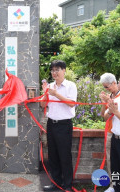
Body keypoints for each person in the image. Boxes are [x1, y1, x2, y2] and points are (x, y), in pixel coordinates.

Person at [41, 60, 77, 192]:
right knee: (53, 155)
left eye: (57, 70)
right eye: (52, 70)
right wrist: (45, 93)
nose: (54, 72)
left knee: (65, 155)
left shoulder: (70, 86)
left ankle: (67, 185)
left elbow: (72, 103)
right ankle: (55, 183)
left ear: (64, 71)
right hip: (51, 123)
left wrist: (56, 94)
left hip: (64, 124)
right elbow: (43, 105)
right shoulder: (50, 86)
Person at [99, 73, 120, 192]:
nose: (106, 89)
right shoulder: (110, 96)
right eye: (104, 87)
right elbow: (104, 116)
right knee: (110, 160)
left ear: (114, 82)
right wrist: (105, 101)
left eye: (107, 87)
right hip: (110, 132)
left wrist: (110, 101)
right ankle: (113, 185)